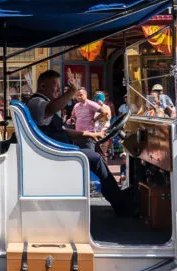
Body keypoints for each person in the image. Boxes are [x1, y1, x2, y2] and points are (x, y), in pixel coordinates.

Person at [27, 69, 130, 216]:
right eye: (55, 86)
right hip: (55, 154)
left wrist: (90, 134)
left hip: (58, 150)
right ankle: (120, 204)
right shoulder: (38, 102)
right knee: (96, 159)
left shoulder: (43, 103)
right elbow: (52, 108)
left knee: (94, 156)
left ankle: (118, 199)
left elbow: (64, 130)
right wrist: (72, 91)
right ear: (43, 86)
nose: (58, 90)